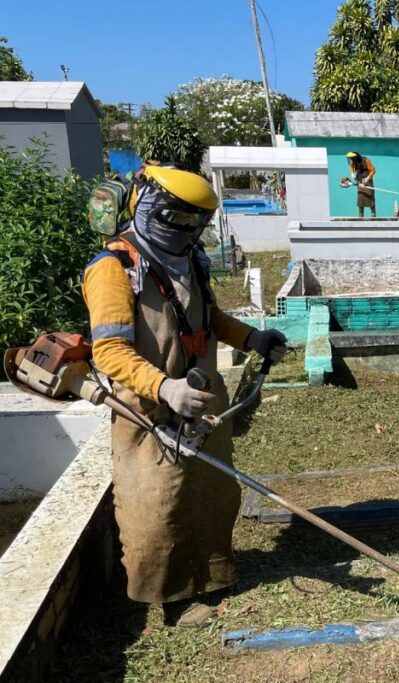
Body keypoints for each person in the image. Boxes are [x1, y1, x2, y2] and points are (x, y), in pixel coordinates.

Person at [82, 165, 288, 628]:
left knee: (211, 493)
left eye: (197, 222)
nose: (188, 230)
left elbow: (210, 318)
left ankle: (214, 576)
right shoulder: (114, 269)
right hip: (149, 409)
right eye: (178, 219)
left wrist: (251, 339)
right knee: (156, 507)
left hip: (201, 399)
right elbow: (110, 350)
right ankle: (172, 597)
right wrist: (164, 387)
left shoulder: (190, 259)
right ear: (148, 207)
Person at [345, 151, 376, 217]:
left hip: (368, 181)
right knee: (360, 197)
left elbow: (373, 170)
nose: (351, 160)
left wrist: (367, 178)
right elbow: (351, 167)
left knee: (370, 196)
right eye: (350, 159)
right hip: (360, 181)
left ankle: (373, 213)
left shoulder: (366, 160)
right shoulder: (353, 163)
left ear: (356, 158)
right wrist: (352, 174)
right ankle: (361, 214)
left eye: (352, 159)